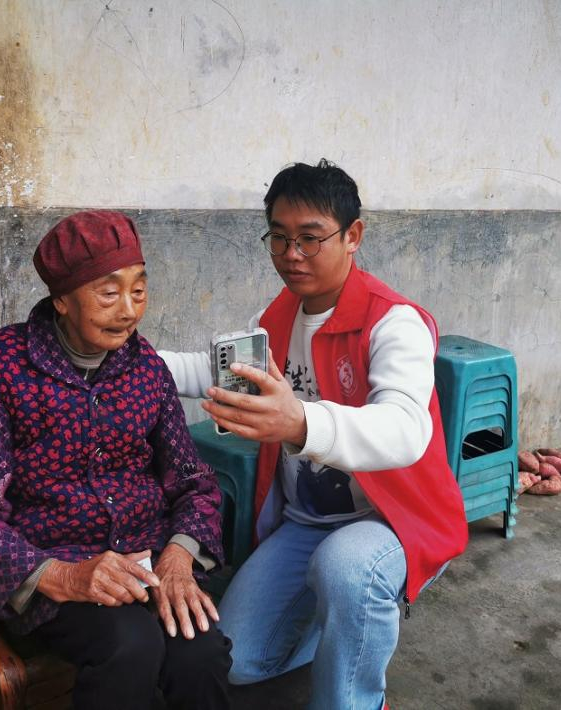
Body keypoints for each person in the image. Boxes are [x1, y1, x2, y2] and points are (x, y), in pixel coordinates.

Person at [160, 160, 469, 710]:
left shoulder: (394, 322)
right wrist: (133, 360)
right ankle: (346, 625)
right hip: (307, 522)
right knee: (238, 661)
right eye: (279, 238)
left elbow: (405, 428)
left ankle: (358, 694)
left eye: (310, 237)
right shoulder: (277, 315)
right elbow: (222, 373)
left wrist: (299, 422)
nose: (292, 254)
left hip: (392, 521)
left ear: (353, 236)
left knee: (346, 569)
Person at [0, 210, 232, 710]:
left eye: (139, 290)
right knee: (130, 645)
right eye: (109, 292)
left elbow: (192, 481)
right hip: (51, 566)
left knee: (199, 651)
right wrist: (62, 575)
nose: (129, 310)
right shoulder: (3, 367)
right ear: (61, 300)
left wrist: (178, 558)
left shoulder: (146, 369)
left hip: (148, 561)